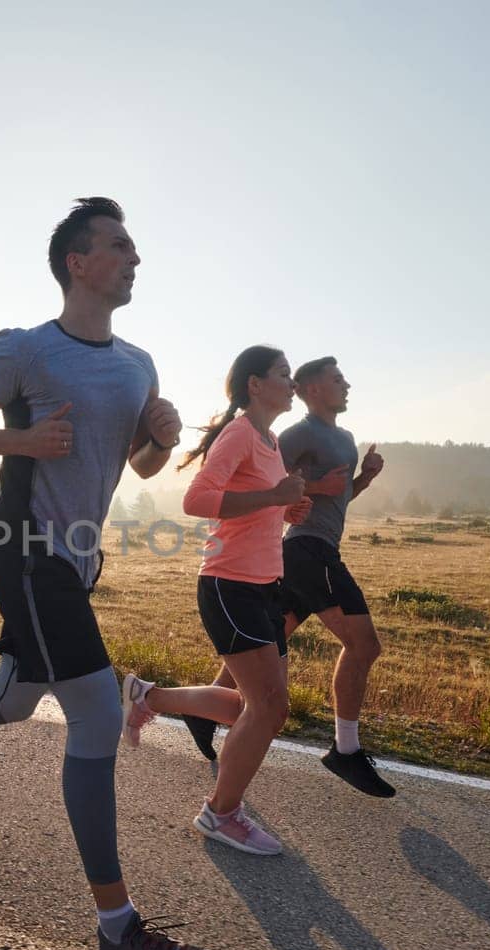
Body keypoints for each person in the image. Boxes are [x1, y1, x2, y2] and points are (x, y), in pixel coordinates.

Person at [0, 197, 217, 950]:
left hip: (75, 560)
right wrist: (19, 439)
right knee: (98, 714)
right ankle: (118, 932)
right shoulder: (25, 349)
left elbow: (135, 466)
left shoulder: (139, 363)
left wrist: (162, 439)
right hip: (24, 548)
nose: (135, 257)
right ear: (78, 262)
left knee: (15, 698)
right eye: (119, 245)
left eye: (135, 245)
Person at [170, 357, 393, 796]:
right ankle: (344, 749)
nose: (347, 384)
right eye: (337, 379)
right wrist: (302, 492)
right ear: (313, 390)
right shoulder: (293, 433)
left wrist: (361, 479)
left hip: (296, 554)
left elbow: (327, 495)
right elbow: (258, 483)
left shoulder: (339, 437)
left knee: (270, 648)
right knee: (363, 644)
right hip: (305, 550)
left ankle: (203, 712)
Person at [119, 345, 310, 855]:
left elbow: (250, 509)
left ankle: (147, 697)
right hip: (230, 586)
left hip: (264, 586)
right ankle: (220, 814)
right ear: (255, 384)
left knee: (258, 706)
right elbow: (197, 499)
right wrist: (274, 497)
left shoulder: (269, 441)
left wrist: (285, 510)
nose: (292, 384)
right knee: (269, 707)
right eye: (284, 375)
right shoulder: (241, 433)